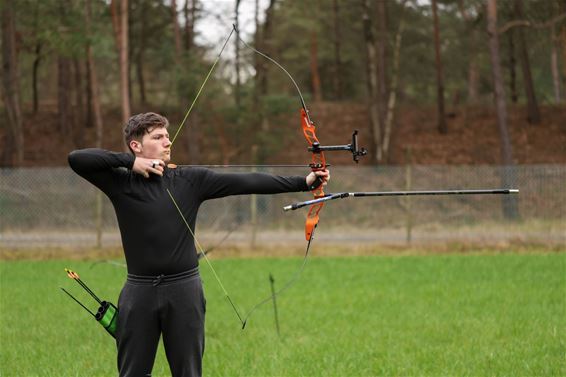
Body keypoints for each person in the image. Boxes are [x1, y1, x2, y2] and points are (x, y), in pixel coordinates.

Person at [68, 112, 330, 377]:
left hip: (184, 291)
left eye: (167, 136)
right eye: (158, 137)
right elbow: (77, 159)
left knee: (188, 372)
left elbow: (246, 181)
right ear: (136, 145)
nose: (167, 142)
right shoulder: (120, 182)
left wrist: (304, 182)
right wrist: (131, 162)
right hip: (139, 292)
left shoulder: (189, 180)